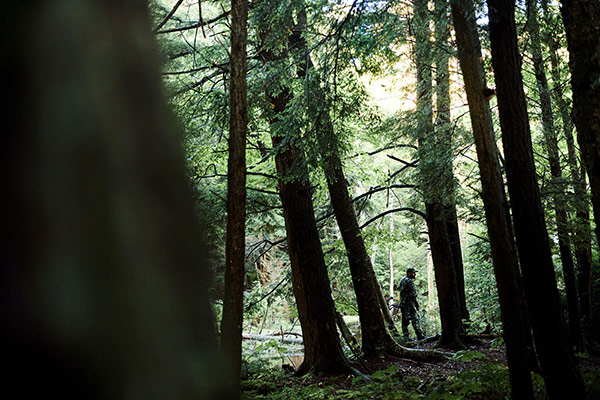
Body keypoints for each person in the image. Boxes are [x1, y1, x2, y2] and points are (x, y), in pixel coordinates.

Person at [397, 267, 424, 341]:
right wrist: (416, 304)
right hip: (409, 304)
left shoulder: (402, 280)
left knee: (405, 321)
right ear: (409, 273)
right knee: (415, 319)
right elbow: (413, 294)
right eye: (413, 273)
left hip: (403, 304)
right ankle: (420, 335)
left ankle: (406, 337)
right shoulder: (409, 281)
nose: (414, 274)